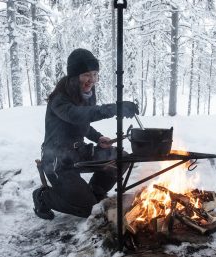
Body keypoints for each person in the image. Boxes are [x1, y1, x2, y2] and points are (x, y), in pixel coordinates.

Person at [33, 48, 138, 220]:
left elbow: (82, 123)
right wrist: (114, 108)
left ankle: (95, 192)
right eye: (86, 75)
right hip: (58, 162)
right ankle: (43, 196)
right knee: (87, 210)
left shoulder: (86, 93)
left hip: (79, 153)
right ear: (74, 76)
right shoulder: (59, 98)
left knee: (120, 158)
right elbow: (75, 116)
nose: (92, 80)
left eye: (95, 74)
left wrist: (97, 137)